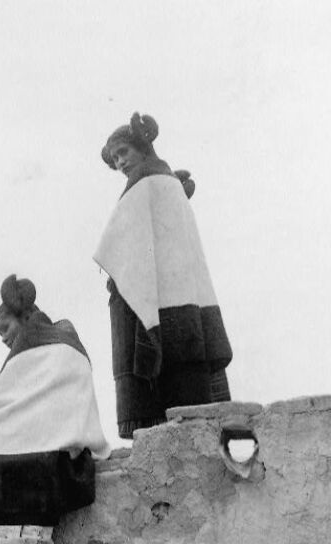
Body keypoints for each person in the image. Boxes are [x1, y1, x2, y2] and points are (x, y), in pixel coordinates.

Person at [94, 112, 233, 439]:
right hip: (185, 302)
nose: (121, 164)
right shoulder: (169, 184)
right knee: (189, 400)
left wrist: (118, 275)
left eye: (123, 153)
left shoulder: (143, 183)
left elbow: (123, 243)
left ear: (141, 148)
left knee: (165, 411)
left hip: (162, 303)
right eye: (115, 160)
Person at [0, 275, 111, 526]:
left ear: (25, 318)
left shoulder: (30, 346)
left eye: (5, 328)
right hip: (68, 443)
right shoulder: (68, 339)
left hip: (44, 437)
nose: (3, 338)